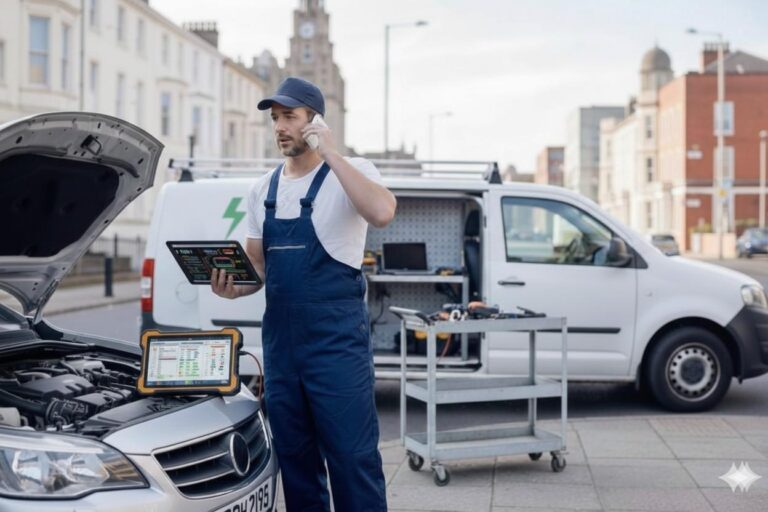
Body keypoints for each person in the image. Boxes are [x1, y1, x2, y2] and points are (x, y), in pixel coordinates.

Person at [211, 76, 395, 511]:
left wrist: (331, 153)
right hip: (282, 347)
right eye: (275, 118)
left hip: (336, 344)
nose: (279, 126)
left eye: (289, 117)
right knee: (295, 460)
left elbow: (383, 212)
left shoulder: (352, 172)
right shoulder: (263, 190)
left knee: (352, 458)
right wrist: (232, 288)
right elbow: (257, 266)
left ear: (315, 122)